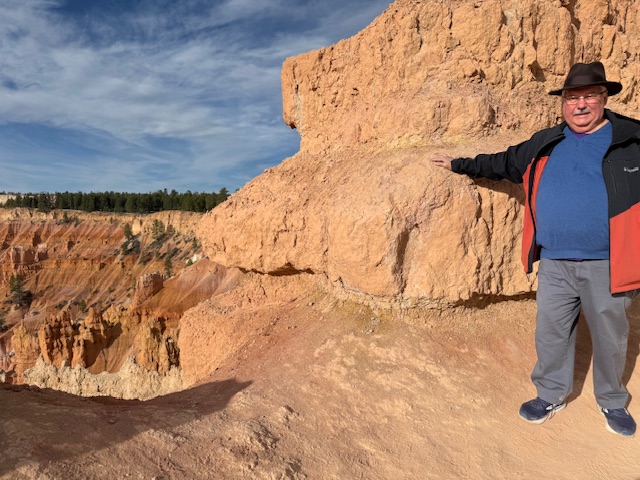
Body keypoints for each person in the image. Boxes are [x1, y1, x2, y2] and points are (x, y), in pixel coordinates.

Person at [432, 61, 640, 437]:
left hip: (609, 263)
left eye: (589, 96)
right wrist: (458, 164)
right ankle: (550, 393)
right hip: (556, 262)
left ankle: (611, 399)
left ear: (604, 97)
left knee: (611, 335)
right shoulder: (545, 141)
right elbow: (502, 162)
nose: (580, 104)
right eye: (572, 97)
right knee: (551, 332)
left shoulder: (632, 140)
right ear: (563, 102)